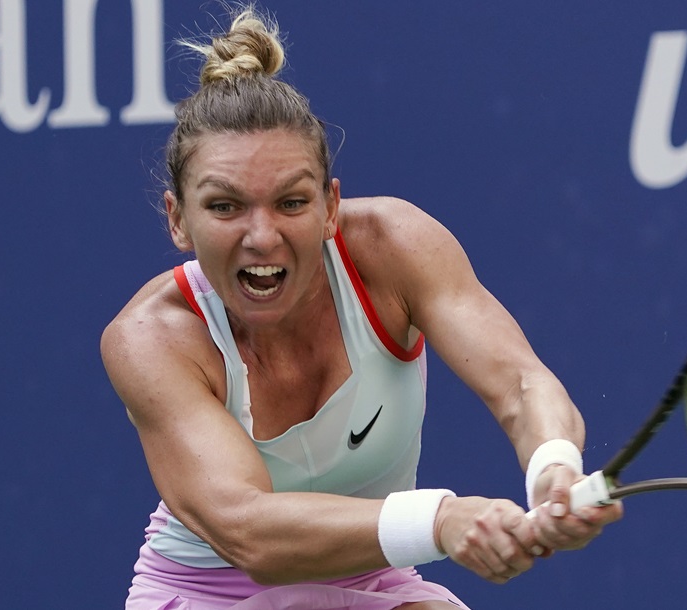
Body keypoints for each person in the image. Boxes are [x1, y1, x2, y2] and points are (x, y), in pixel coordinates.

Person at [101, 5, 622, 609]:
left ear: (330, 207)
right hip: (207, 594)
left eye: (292, 203)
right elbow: (249, 530)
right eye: (225, 207)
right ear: (177, 220)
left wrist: (553, 466)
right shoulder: (150, 338)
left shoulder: (392, 247)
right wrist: (440, 521)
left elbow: (521, 382)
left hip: (375, 576)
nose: (262, 236)